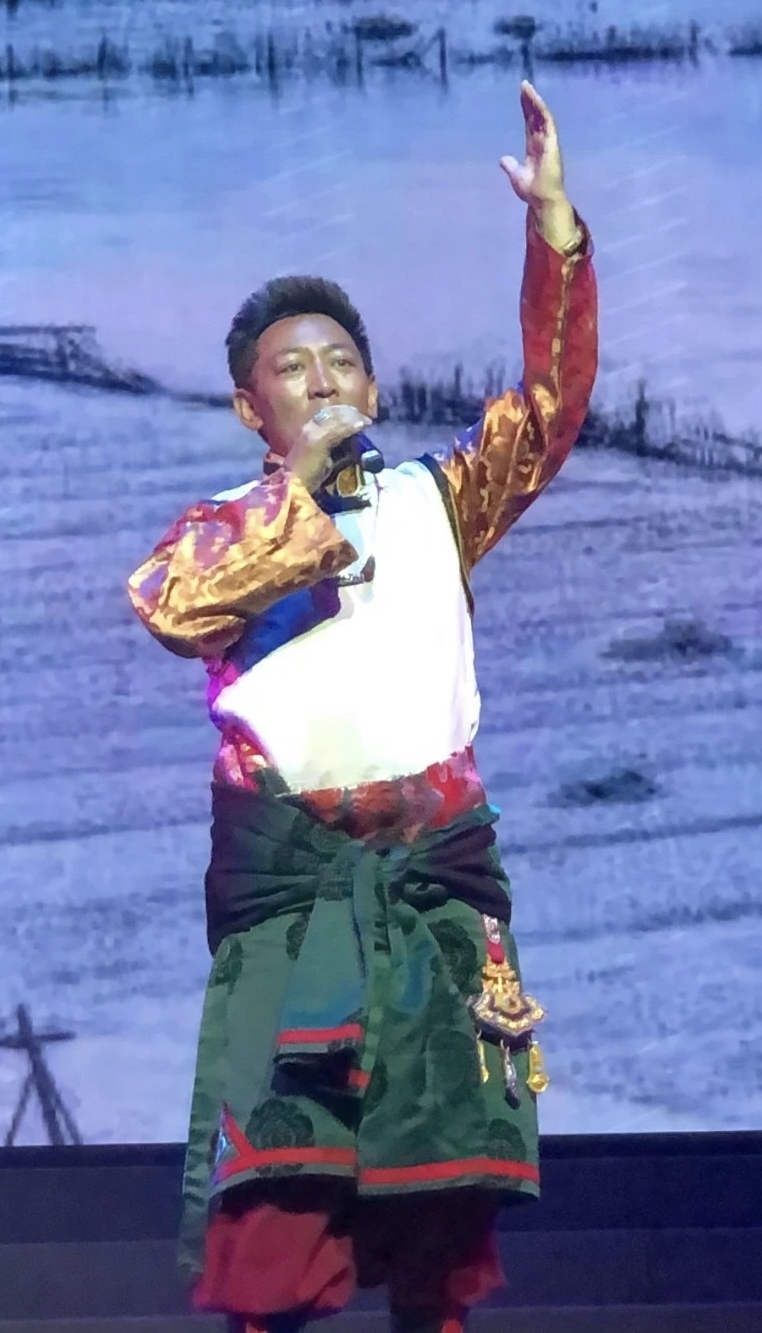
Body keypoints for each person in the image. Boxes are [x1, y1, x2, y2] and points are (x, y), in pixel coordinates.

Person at [127, 81, 597, 1333]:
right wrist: (299, 496)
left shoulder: (439, 501)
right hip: (298, 901)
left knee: (443, 1220)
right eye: (292, 368)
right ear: (252, 408)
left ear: (375, 390)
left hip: (435, 885)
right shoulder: (221, 531)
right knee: (278, 1225)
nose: (322, 378)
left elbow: (549, 414)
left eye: (341, 361)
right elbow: (170, 605)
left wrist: (553, 230)